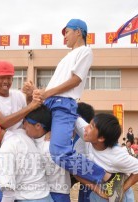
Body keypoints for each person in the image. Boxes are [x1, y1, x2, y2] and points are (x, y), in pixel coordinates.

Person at [30, 19, 125, 200]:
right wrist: (38, 94)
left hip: (63, 104)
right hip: (52, 103)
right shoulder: (67, 56)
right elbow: (56, 84)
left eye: (67, 31)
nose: (64, 36)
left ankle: (109, 177)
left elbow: (75, 80)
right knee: (30, 130)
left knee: (60, 152)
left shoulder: (85, 51)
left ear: (79, 32)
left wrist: (47, 93)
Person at [74, 113, 138, 201]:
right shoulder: (89, 135)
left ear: (101, 138)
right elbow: (74, 117)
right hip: (99, 194)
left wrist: (120, 190)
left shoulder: (116, 156)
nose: (85, 128)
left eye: (91, 126)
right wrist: (99, 191)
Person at [23, 105, 71, 202]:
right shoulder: (30, 139)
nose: (23, 126)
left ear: (38, 126)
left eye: (26, 123)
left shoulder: (50, 145)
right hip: (42, 192)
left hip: (56, 193)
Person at [0, 61, 41, 131]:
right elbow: (2, 123)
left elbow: (29, 117)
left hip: (23, 137)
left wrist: (30, 97)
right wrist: (31, 106)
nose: (5, 81)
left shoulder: (18, 95)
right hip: (1, 141)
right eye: (1, 77)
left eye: (9, 78)